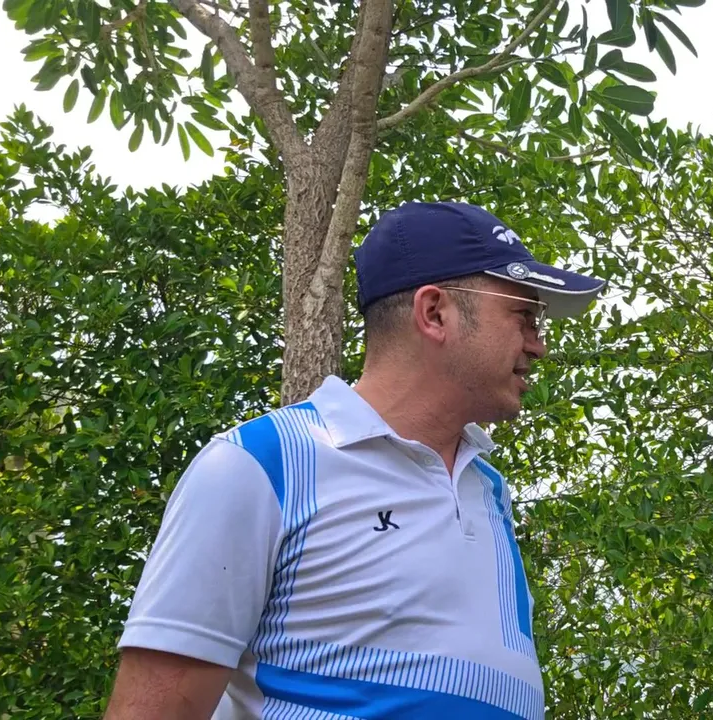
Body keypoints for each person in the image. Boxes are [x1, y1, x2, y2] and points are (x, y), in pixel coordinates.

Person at [103, 201, 605, 719]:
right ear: (435, 313)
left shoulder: (488, 488)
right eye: (524, 316)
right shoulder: (259, 465)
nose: (538, 346)